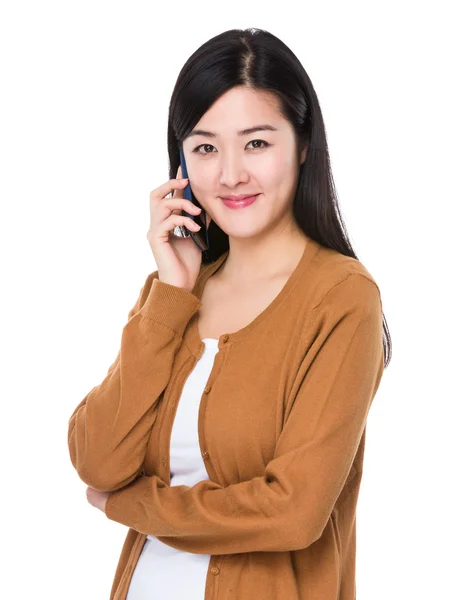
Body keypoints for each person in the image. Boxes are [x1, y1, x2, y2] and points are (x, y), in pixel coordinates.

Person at [68, 27, 392, 600]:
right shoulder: (171, 295)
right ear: (181, 162)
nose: (230, 174)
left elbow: (293, 511)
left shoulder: (342, 299)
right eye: (205, 147)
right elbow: (98, 460)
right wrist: (172, 292)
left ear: (304, 143)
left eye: (257, 143)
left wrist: (134, 504)